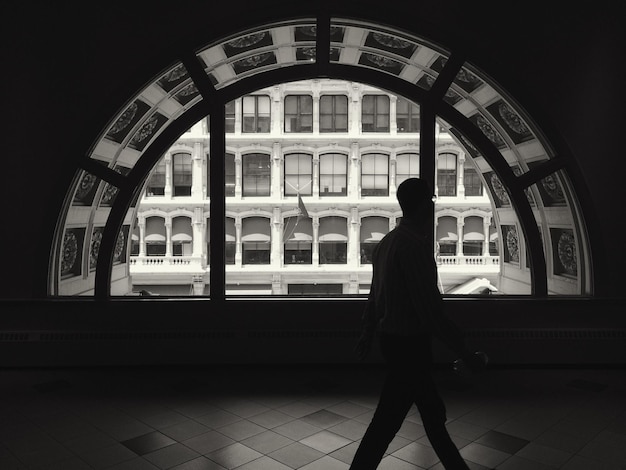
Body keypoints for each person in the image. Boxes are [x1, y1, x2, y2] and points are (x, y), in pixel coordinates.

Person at [350, 178, 487, 470]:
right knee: (398, 421)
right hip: (411, 345)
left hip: (393, 342)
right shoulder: (415, 247)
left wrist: (367, 332)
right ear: (426, 204)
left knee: (419, 416)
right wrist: (464, 352)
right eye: (432, 201)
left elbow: (376, 295)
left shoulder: (387, 243)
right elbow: (430, 310)